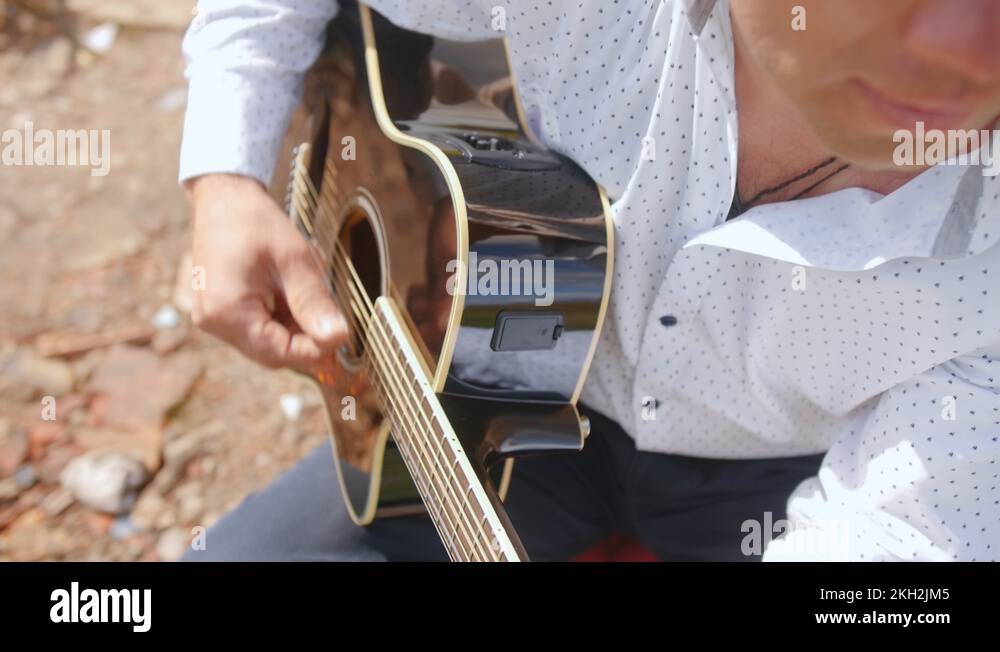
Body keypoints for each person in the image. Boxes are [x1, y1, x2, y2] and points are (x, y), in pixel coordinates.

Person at [179, 0, 1000, 561]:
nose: (963, 49)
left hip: (785, 483)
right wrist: (225, 175)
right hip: (494, 402)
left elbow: (900, 548)